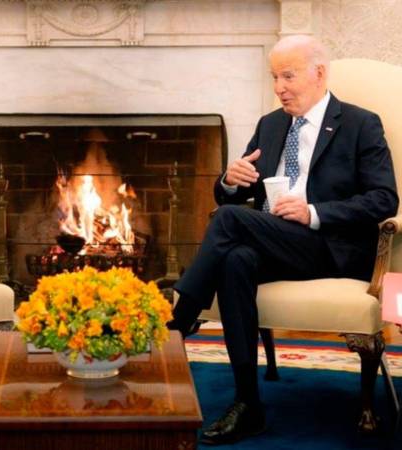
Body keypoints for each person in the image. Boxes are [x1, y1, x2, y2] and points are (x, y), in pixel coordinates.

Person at [168, 35, 398, 445]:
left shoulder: (362, 123)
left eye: (288, 76)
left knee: (228, 221)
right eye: (274, 76)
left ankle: (177, 322)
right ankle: (248, 405)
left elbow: (384, 198)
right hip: (276, 240)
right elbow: (236, 195)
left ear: (319, 73)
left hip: (331, 247)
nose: (279, 87)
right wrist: (230, 181)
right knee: (236, 257)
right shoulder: (270, 125)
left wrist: (313, 212)